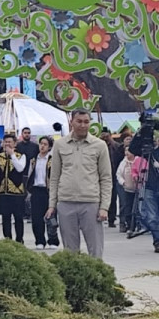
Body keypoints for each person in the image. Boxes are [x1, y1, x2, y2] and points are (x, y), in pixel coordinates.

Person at [46, 108, 113, 259]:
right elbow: (54, 177)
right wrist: (52, 205)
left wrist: (104, 207)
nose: (83, 125)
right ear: (71, 122)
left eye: (86, 122)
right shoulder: (60, 145)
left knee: (95, 250)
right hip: (66, 202)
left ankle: (97, 280)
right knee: (70, 252)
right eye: (79, 121)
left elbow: (106, 178)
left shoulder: (99, 145)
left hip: (91, 203)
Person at [0, 132, 28, 243]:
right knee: (5, 218)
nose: (7, 144)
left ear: (15, 144)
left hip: (17, 191)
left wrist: (12, 155)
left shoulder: (21, 156)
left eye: (10, 142)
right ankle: (7, 239)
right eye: (5, 142)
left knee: (18, 218)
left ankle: (19, 239)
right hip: (3, 192)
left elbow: (20, 168)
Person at [128, 112, 159, 252]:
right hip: (151, 186)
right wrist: (143, 129)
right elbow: (133, 149)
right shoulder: (152, 150)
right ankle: (158, 240)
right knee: (151, 217)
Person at [28, 136, 60, 248]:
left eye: (45, 144)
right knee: (36, 217)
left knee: (51, 216)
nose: (42, 146)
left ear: (50, 146)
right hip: (36, 190)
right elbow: (29, 174)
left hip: (48, 190)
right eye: (41, 143)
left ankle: (53, 240)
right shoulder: (33, 160)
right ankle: (40, 240)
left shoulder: (52, 160)